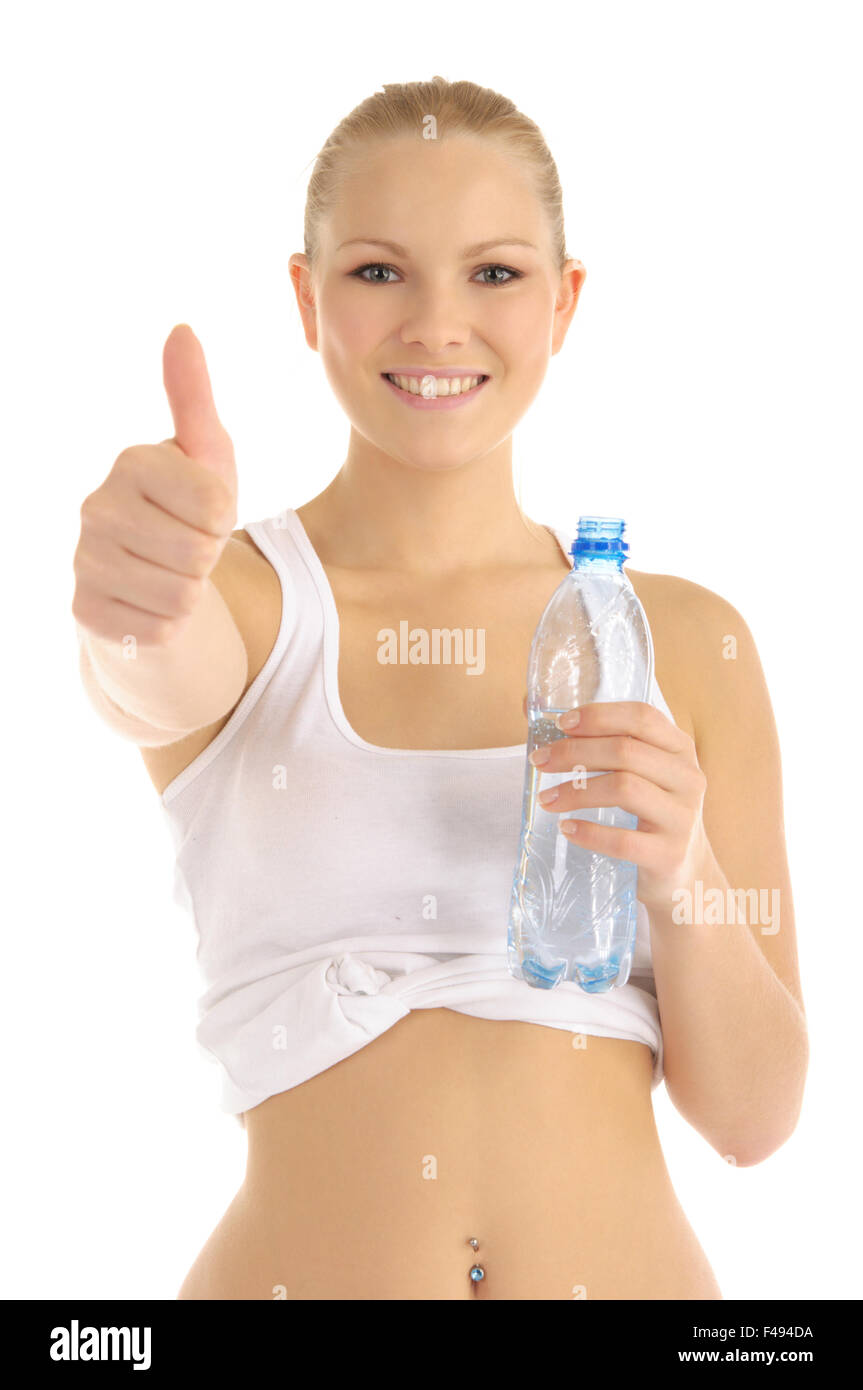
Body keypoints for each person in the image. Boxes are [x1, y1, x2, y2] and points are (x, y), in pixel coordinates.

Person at [72, 75, 809, 1300]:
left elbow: (753, 1118)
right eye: (376, 273)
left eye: (494, 273)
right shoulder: (248, 603)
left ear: (564, 301)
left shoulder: (681, 640)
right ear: (306, 301)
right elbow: (147, 672)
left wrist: (682, 875)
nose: (435, 323)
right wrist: (131, 600)